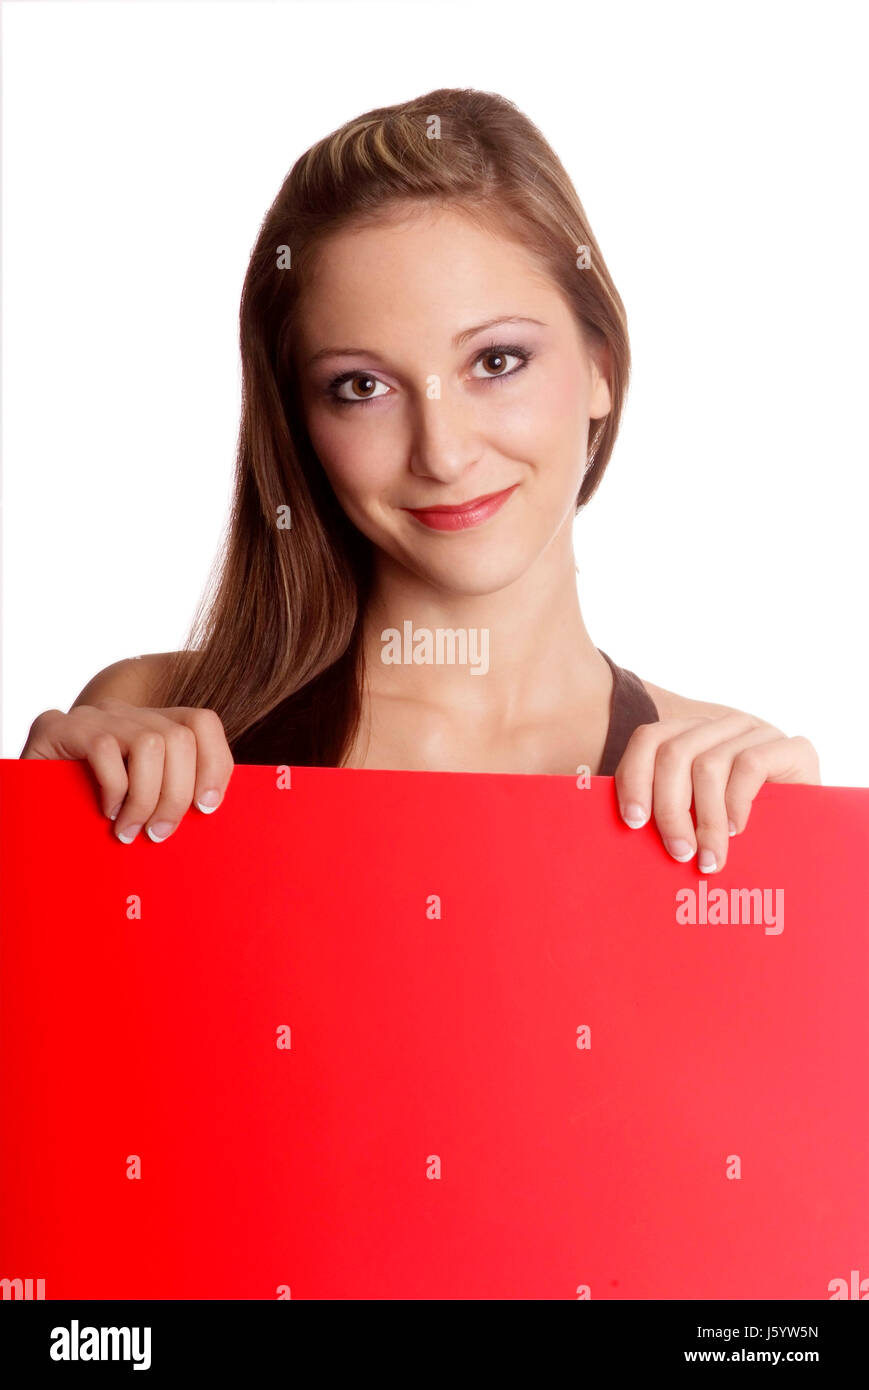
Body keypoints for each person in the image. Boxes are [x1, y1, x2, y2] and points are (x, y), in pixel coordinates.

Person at [20, 87, 819, 873]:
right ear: (299, 418)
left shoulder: (727, 785)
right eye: (362, 387)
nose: (439, 452)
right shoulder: (160, 721)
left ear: (600, 368)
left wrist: (810, 894)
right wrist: (30, 849)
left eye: (496, 362)